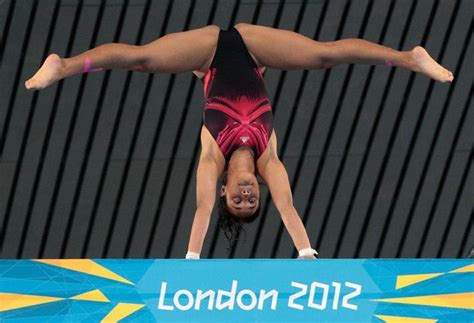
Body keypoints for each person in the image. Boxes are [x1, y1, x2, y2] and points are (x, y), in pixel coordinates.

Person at [25, 23, 453, 259]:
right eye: (252, 202)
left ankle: (64, 66)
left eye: (238, 201)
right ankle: (408, 58)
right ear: (258, 190)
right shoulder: (270, 160)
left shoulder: (212, 156)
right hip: (255, 49)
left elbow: (202, 209)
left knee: (143, 60)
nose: (246, 198)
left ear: (227, 190)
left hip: (208, 55)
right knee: (324, 55)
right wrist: (306, 256)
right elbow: (289, 209)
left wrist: (191, 262)